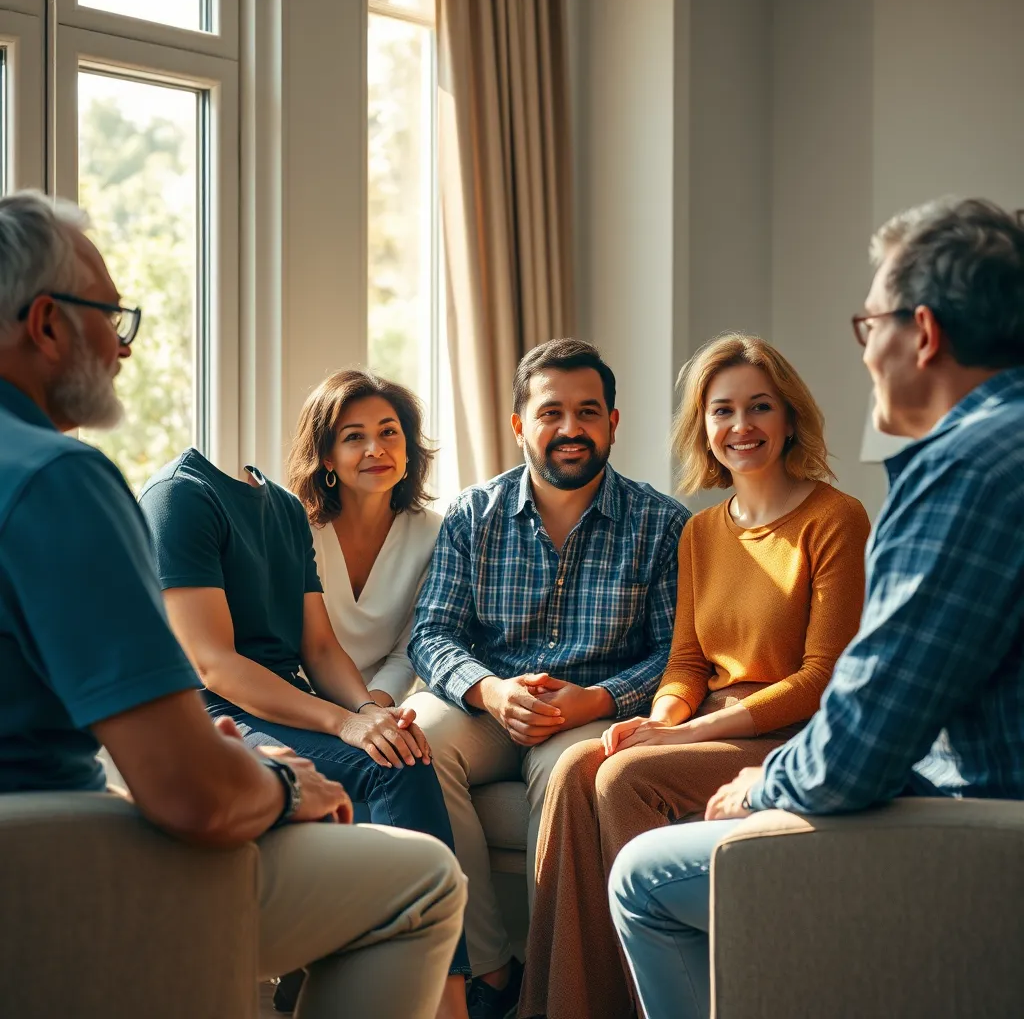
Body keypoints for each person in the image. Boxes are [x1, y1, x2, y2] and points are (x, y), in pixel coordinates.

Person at [0, 190, 466, 1019]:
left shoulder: (289, 515)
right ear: (45, 324)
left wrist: (354, 714)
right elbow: (189, 790)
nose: (125, 350)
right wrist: (283, 785)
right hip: (46, 862)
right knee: (425, 882)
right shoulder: (60, 481)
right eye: (114, 318)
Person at [607, 197, 1024, 1019]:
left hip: (988, 834)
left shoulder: (962, 471)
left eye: (869, 326)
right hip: (980, 805)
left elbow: (859, 734)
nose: (868, 352)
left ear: (924, 334)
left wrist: (762, 787)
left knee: (644, 879)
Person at [520, 334, 871, 1019]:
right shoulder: (702, 531)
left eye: (759, 408)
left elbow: (821, 678)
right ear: (703, 427)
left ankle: (652, 997)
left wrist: (692, 730)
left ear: (790, 418)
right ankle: (564, 1005)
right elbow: (685, 663)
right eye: (723, 411)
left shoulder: (834, 519)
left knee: (625, 777)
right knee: (572, 767)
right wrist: (663, 719)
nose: (741, 427)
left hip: (787, 733)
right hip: (709, 721)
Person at [406, 339, 691, 1018]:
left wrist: (597, 699)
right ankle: (490, 966)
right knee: (416, 739)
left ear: (613, 423)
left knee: (567, 775)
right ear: (519, 426)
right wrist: (490, 691)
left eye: (588, 412)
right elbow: (431, 632)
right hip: (491, 700)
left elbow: (678, 652)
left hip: (594, 706)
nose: (570, 429)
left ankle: (550, 984)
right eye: (551, 412)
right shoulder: (474, 516)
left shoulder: (661, 525)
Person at [139, 456, 471, 1017]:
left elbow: (317, 647)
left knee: (402, 747)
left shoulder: (286, 509)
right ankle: (442, 1004)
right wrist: (342, 722)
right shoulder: (179, 499)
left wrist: (369, 711)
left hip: (281, 699)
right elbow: (214, 664)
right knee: (391, 765)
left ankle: (420, 987)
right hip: (210, 709)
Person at [287, 369, 442, 709]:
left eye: (389, 432)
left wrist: (370, 712)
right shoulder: (293, 526)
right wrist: (346, 719)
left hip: (383, 706)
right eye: (355, 437)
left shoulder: (435, 534)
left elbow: (409, 651)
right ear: (327, 455)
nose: (376, 449)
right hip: (300, 705)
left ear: (407, 446)